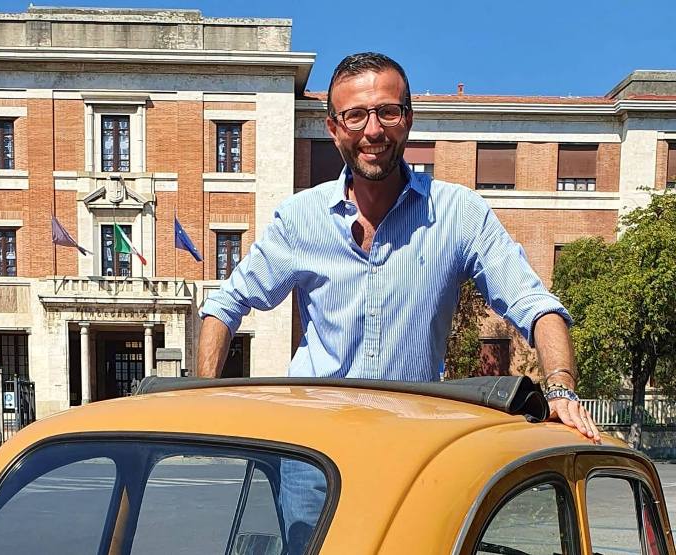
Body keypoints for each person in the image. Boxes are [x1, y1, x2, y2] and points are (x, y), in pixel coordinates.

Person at [198, 51, 598, 550]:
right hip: (311, 454)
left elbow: (536, 305)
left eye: (387, 111)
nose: (373, 130)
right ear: (333, 128)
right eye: (355, 116)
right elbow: (224, 306)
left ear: (407, 119)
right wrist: (203, 403)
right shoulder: (299, 219)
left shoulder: (458, 213)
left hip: (413, 452)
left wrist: (561, 389)